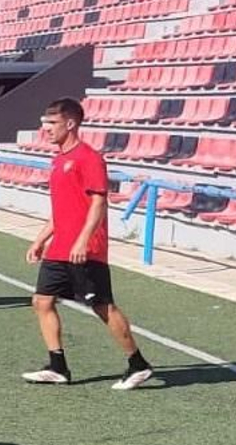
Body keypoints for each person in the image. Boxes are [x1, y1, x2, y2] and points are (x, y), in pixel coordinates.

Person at [22, 98, 153, 390]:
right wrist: (41, 239)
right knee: (42, 302)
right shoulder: (58, 160)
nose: (47, 129)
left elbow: (99, 203)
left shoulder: (89, 158)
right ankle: (58, 368)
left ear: (70, 124)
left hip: (85, 249)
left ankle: (138, 364)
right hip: (59, 248)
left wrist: (83, 240)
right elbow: (61, 210)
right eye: (45, 123)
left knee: (102, 306)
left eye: (53, 123)